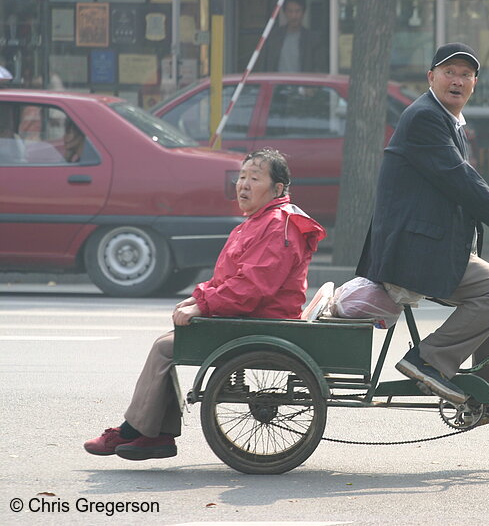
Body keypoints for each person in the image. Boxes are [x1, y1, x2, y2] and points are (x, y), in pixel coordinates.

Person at [84, 149, 327, 461]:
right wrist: (199, 298)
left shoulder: (278, 225)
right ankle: (154, 434)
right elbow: (228, 277)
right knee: (169, 344)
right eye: (241, 177)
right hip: (247, 316)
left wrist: (203, 306)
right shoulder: (257, 222)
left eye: (254, 178)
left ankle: (138, 432)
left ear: (278, 189)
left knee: (166, 348)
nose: (243, 184)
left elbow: (252, 286)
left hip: (260, 320)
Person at [356, 43, 489, 424]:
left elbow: (463, 181)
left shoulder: (446, 120)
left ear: (475, 83)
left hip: (430, 244)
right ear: (431, 77)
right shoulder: (426, 117)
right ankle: (428, 360)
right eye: (449, 72)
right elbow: (459, 179)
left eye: (465, 74)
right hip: (412, 250)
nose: (457, 80)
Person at [260, 0, 326, 73]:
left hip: (303, 84)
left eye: (297, 11)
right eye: (290, 11)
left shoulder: (313, 39)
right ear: (284, 12)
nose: (294, 16)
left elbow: (319, 68)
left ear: (303, 12)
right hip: (277, 84)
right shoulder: (274, 37)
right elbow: (266, 66)